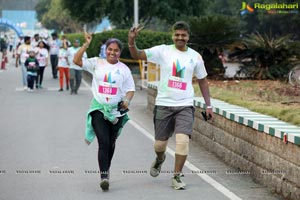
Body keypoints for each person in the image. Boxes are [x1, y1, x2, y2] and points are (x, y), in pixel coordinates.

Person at [128, 21, 213, 190]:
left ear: (188, 37)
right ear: (172, 35)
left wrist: (208, 105)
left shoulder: (195, 57)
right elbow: (137, 55)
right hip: (164, 104)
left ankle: (176, 176)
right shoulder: (163, 51)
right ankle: (160, 159)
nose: (180, 37)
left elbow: (203, 81)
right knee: (160, 145)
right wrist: (131, 42)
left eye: (183, 35)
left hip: (185, 104)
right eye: (177, 34)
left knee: (182, 141)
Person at [73, 33, 135, 191]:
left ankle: (106, 169)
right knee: (104, 142)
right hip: (99, 109)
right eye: (110, 49)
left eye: (116, 50)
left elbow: (130, 90)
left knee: (111, 143)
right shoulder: (96, 63)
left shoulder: (124, 70)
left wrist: (127, 101)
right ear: (105, 50)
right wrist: (86, 44)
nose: (112, 53)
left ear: (120, 52)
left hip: (117, 112)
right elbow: (76, 61)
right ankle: (104, 176)